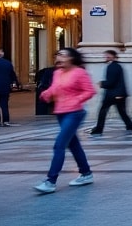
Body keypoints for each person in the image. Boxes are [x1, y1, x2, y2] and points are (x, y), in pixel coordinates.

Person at [35, 47, 96, 193]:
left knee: (59, 145)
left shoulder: (79, 72)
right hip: (61, 112)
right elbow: (55, 89)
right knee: (73, 144)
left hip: (75, 112)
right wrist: (46, 94)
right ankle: (86, 173)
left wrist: (76, 100)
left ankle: (50, 181)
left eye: (62, 55)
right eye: (58, 55)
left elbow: (90, 91)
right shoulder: (57, 73)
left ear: (71, 58)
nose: (58, 57)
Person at [89, 49, 132, 135]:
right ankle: (130, 125)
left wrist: (102, 83)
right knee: (121, 111)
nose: (105, 57)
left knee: (103, 110)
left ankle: (99, 128)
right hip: (119, 94)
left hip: (112, 94)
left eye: (107, 55)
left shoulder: (112, 67)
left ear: (111, 57)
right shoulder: (118, 66)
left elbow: (111, 82)